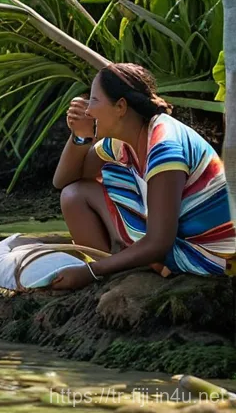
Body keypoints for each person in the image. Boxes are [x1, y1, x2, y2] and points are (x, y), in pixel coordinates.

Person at [52, 63, 235, 290]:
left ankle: (113, 268)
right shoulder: (124, 140)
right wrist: (80, 136)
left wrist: (89, 271)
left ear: (120, 106)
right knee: (75, 195)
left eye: (94, 101)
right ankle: (117, 269)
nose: (88, 110)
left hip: (206, 255)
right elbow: (65, 182)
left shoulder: (164, 145)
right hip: (171, 243)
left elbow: (159, 242)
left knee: (81, 197)